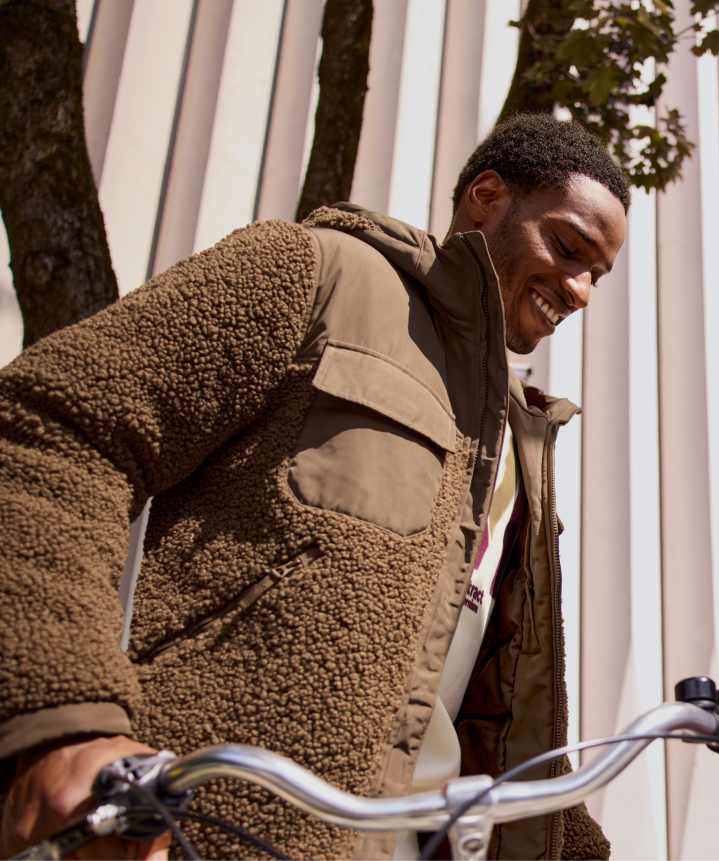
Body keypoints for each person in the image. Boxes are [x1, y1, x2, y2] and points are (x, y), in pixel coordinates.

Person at [0, 114, 627, 860]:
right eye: (568, 247)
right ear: (486, 198)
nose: (582, 290)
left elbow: (503, 704)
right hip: (198, 834)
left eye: (598, 274)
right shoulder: (315, 271)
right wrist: (67, 719)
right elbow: (52, 428)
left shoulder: (525, 440)